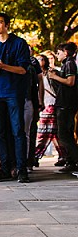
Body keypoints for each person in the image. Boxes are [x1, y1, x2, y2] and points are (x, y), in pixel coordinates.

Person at [0, 13, 31, 183]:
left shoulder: (19, 43)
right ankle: (4, 167)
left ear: (7, 25)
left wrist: (3, 66)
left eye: (0, 23)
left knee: (18, 131)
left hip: (13, 93)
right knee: (0, 132)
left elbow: (23, 69)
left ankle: (21, 168)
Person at [45, 42, 78, 173]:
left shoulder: (69, 64)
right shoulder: (66, 65)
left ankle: (74, 159)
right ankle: (71, 161)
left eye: (59, 52)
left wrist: (55, 77)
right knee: (66, 133)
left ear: (66, 52)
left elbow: (70, 82)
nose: (57, 55)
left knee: (64, 134)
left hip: (66, 104)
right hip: (64, 103)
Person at [34, 54, 62, 163]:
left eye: (40, 59)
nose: (38, 61)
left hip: (51, 104)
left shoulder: (51, 73)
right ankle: (63, 155)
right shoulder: (35, 73)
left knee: (46, 132)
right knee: (52, 132)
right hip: (43, 104)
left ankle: (36, 155)